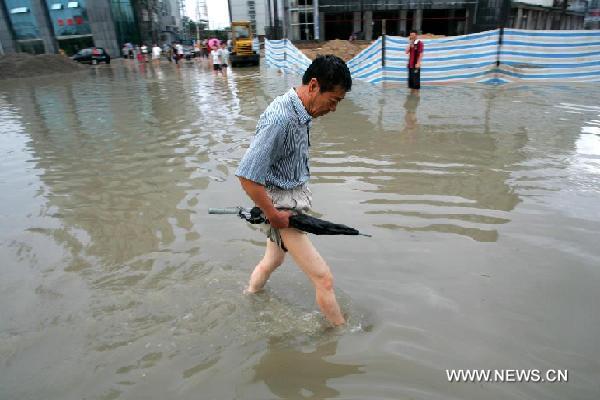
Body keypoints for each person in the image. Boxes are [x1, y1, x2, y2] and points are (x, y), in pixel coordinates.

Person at [235, 55, 352, 326]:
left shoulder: (303, 109)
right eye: (333, 100)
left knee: (272, 261)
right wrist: (273, 215)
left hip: (289, 202)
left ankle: (249, 295)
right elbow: (247, 176)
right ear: (313, 86)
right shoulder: (281, 119)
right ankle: (342, 336)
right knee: (324, 278)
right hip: (281, 210)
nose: (333, 109)